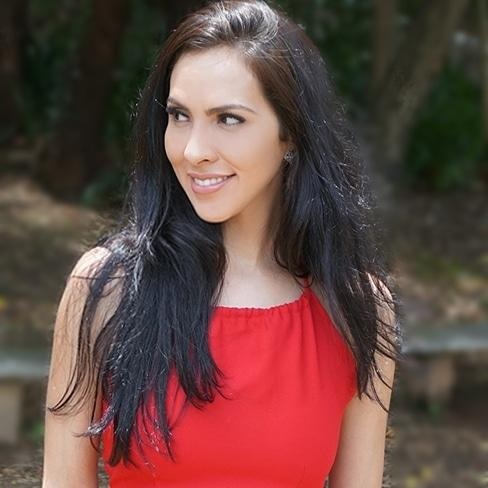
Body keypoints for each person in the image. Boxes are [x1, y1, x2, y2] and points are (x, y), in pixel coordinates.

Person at [42, 0, 403, 486]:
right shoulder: (105, 289)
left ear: (291, 134)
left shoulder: (356, 308)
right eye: (179, 115)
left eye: (228, 119)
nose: (193, 151)